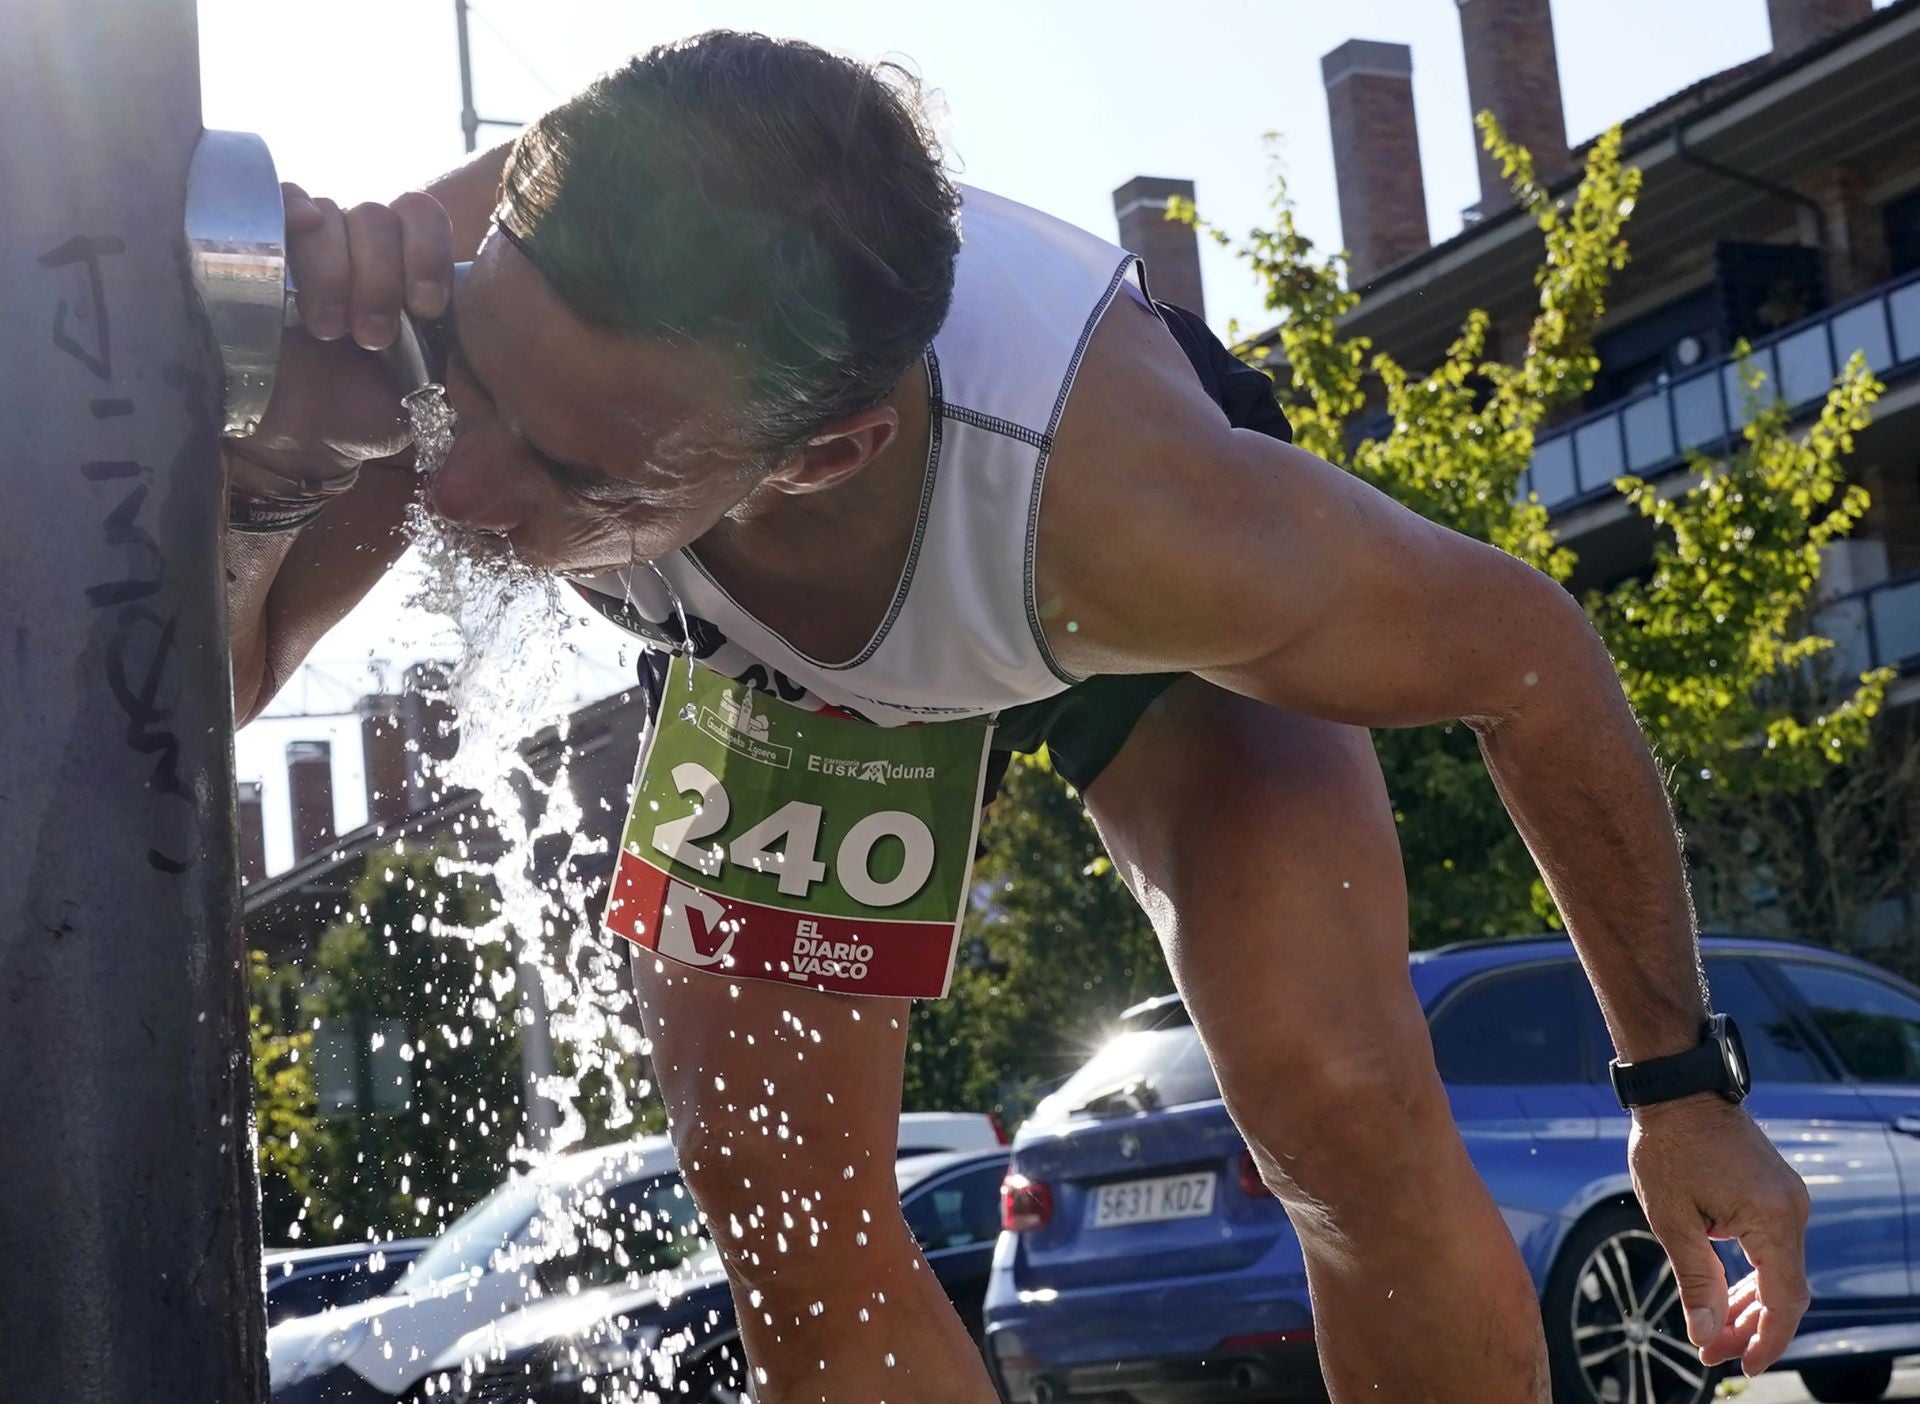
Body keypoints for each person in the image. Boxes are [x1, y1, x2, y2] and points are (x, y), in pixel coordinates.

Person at [224, 31, 1810, 1403]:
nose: (467, 490)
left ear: (816, 456)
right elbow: (217, 681)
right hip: (797, 672)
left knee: (1338, 1106)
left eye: (581, 478)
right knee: (786, 1207)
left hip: (1069, 590)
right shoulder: (427, 316)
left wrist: (1679, 1091)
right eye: (479, 396)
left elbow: (1534, 659)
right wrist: (260, 471)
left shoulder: (1145, 518)